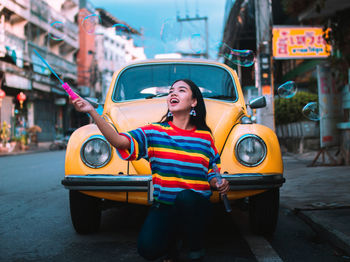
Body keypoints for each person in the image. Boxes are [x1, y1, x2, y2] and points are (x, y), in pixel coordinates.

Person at [72, 79, 230, 261]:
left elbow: (211, 171)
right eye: (171, 91)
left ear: (194, 102)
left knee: (186, 198)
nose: (173, 93)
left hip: (196, 207)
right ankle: (173, 243)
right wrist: (91, 111)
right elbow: (119, 141)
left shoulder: (205, 137)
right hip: (164, 206)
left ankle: (196, 247)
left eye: (181, 90)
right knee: (147, 250)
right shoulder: (154, 132)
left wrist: (219, 183)